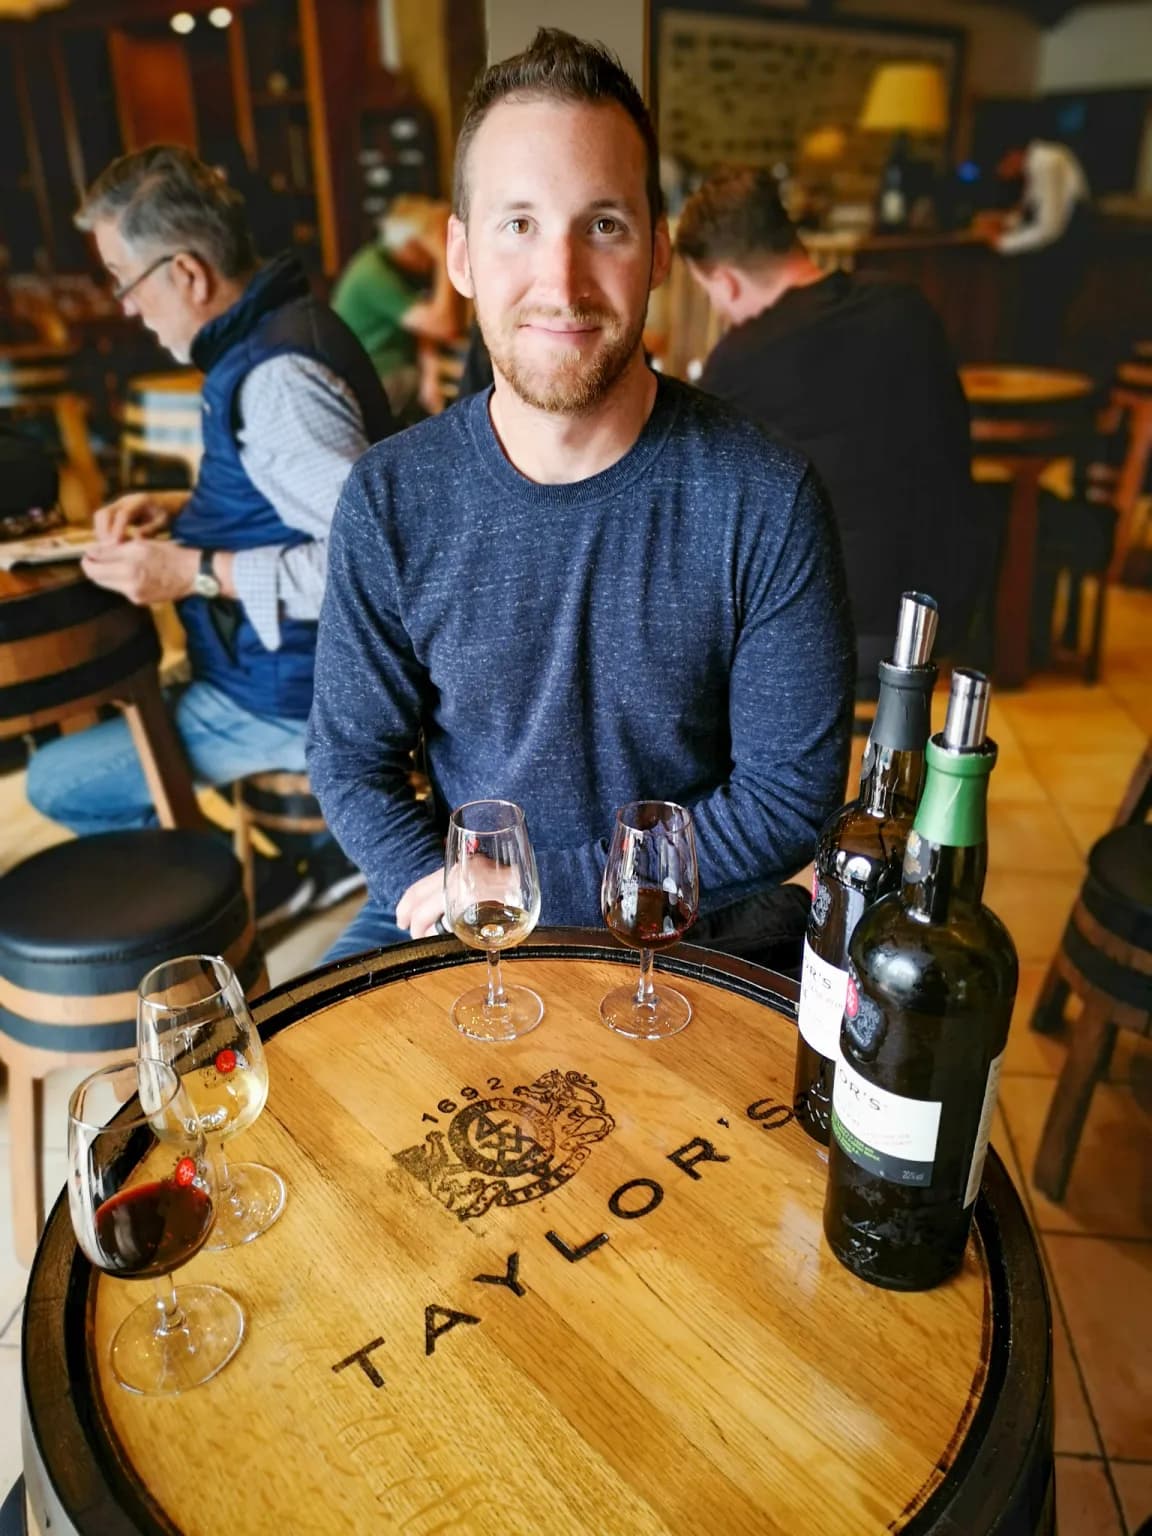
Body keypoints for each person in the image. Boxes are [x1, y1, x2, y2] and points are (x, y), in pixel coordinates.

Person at [308, 29, 854, 966]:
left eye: (603, 224)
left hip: (689, 921)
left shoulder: (766, 498)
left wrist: (530, 886)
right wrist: (440, 891)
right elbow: (350, 762)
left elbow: (787, 802)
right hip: (465, 912)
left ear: (656, 253)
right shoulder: (391, 496)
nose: (559, 283)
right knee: (305, 1096)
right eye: (518, 223)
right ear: (461, 255)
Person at [26, 146, 394, 921]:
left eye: (126, 282)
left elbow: (371, 567)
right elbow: (292, 498)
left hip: (290, 698)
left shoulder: (275, 382)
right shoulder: (282, 330)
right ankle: (290, 864)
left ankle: (212, 906)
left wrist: (191, 573)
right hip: (267, 671)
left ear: (187, 275)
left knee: (51, 782)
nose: (127, 306)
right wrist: (178, 508)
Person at [675, 166, 979, 688]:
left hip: (844, 629)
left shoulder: (739, 361)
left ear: (725, 280)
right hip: (942, 607)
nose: (719, 309)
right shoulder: (906, 307)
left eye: (711, 294)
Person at [331, 197, 462, 419]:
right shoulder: (373, 274)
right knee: (471, 388)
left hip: (395, 369)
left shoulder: (396, 266)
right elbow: (444, 326)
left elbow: (427, 329)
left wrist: (429, 371)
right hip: (371, 380)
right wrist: (443, 258)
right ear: (412, 244)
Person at [985, 134, 1092, 363]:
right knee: (1036, 321)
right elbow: (1033, 209)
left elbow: (1049, 228)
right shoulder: (1037, 162)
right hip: (1053, 252)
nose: (1001, 172)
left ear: (1013, 155)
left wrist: (1003, 244)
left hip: (1062, 253)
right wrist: (1006, 223)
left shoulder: (1045, 162)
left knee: (1042, 322)